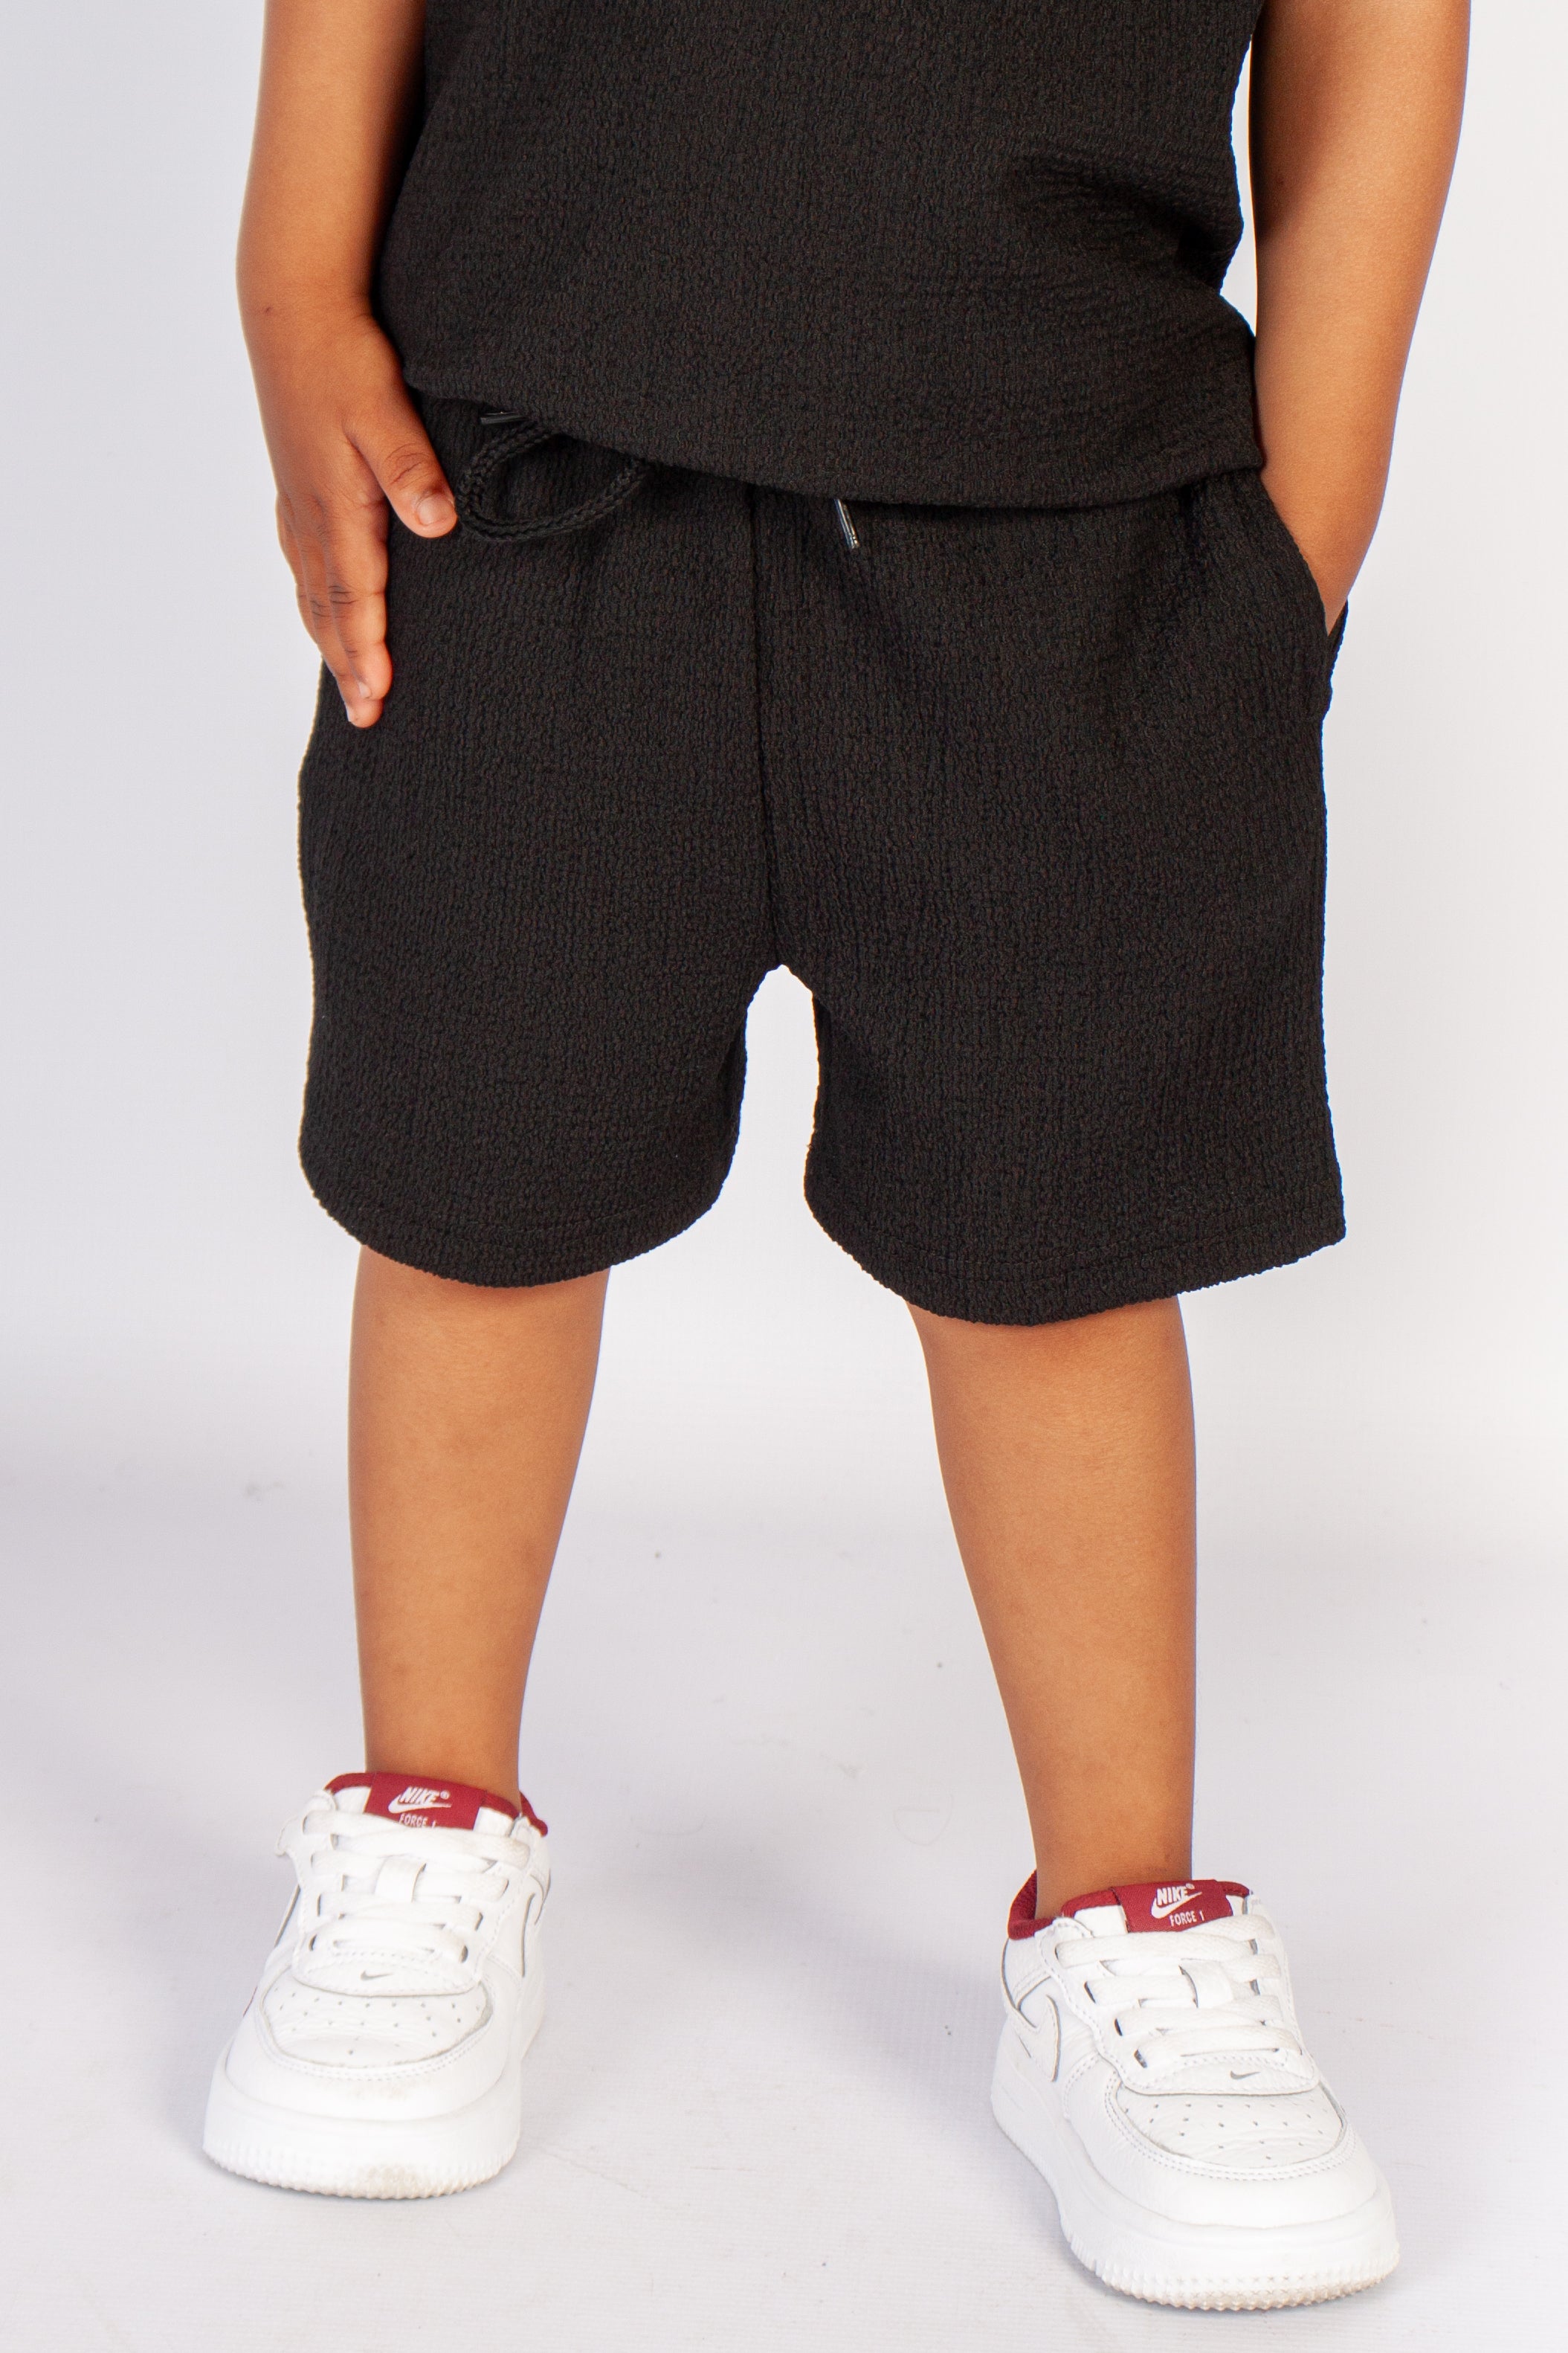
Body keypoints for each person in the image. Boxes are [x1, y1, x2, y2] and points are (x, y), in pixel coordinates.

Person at [204, 0, 1468, 2308]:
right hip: (525, 448)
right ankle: (426, 1829)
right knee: (479, 1180)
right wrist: (297, 255)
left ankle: (1124, 1928)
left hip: (1065, 495)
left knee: (1056, 1238)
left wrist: (1310, 515)